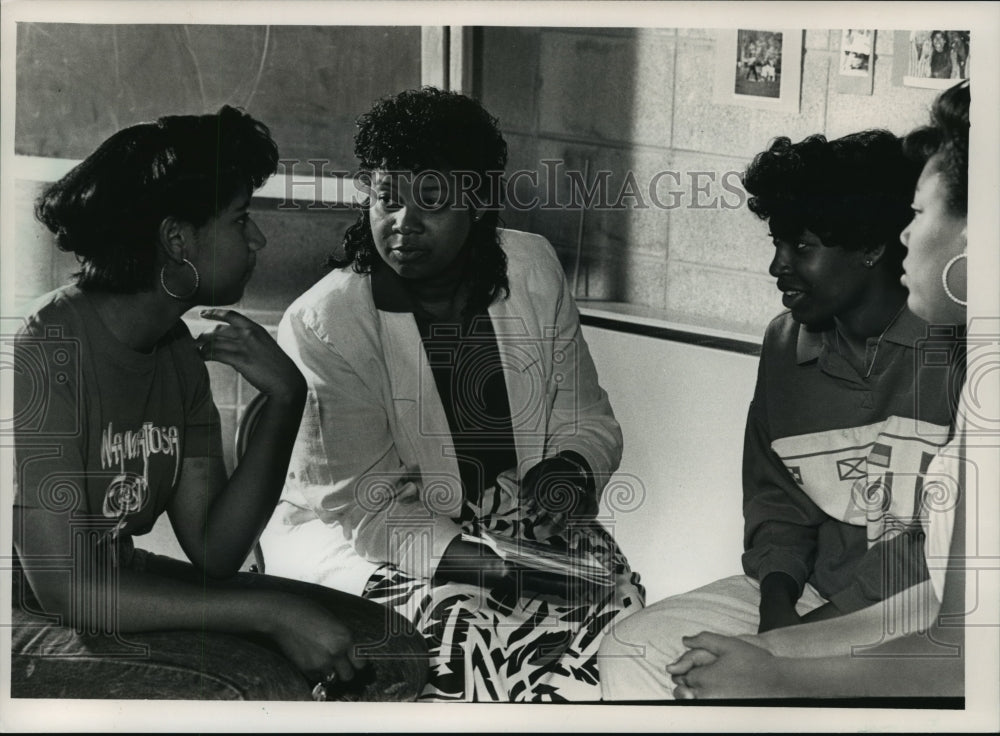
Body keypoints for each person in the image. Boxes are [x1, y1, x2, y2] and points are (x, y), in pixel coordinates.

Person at [11, 106, 427, 701]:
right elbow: (62, 587)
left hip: (111, 582)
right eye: (239, 219)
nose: (256, 237)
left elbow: (216, 549)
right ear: (177, 239)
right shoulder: (47, 345)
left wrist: (287, 398)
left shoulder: (176, 349)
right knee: (245, 688)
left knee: (388, 646)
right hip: (24, 602)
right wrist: (271, 614)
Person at [260, 87, 644, 702]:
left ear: (477, 204)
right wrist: (498, 570)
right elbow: (368, 509)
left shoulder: (532, 267)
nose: (403, 225)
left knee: (617, 594)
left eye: (433, 202)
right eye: (388, 199)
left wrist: (567, 471)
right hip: (364, 540)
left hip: (507, 522)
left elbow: (586, 418)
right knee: (461, 625)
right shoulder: (327, 322)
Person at [599, 129, 957, 700]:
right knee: (633, 651)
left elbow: (937, 559)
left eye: (802, 247)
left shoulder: (960, 354)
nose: (776, 266)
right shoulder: (785, 346)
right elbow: (775, 501)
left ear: (870, 248)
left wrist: (790, 651)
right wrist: (776, 608)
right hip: (807, 595)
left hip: (916, 608)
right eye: (777, 242)